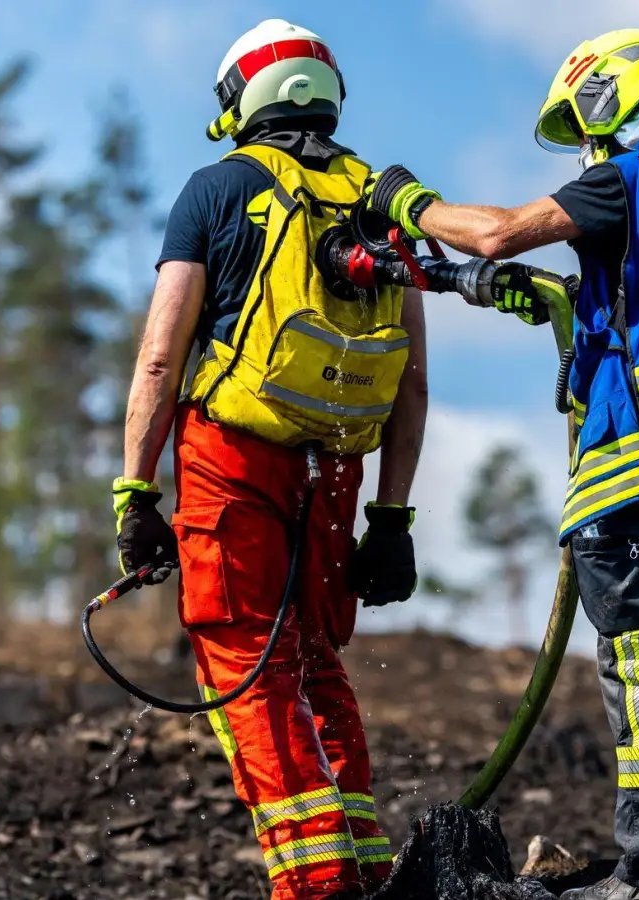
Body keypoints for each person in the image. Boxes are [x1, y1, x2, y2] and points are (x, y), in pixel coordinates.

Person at [363, 28, 639, 900]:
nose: (588, 147)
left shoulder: (623, 178)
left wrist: (407, 202)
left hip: (631, 458)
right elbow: (618, 298)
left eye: (587, 125)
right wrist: (459, 285)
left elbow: (498, 234)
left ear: (610, 99)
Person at [114, 18, 427, 900]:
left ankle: (318, 887)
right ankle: (365, 870)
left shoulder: (216, 191)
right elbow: (411, 385)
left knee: (246, 660)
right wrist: (392, 519)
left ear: (240, 99)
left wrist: (136, 492)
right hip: (335, 470)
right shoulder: (381, 196)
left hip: (232, 460)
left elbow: (158, 358)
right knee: (312, 660)